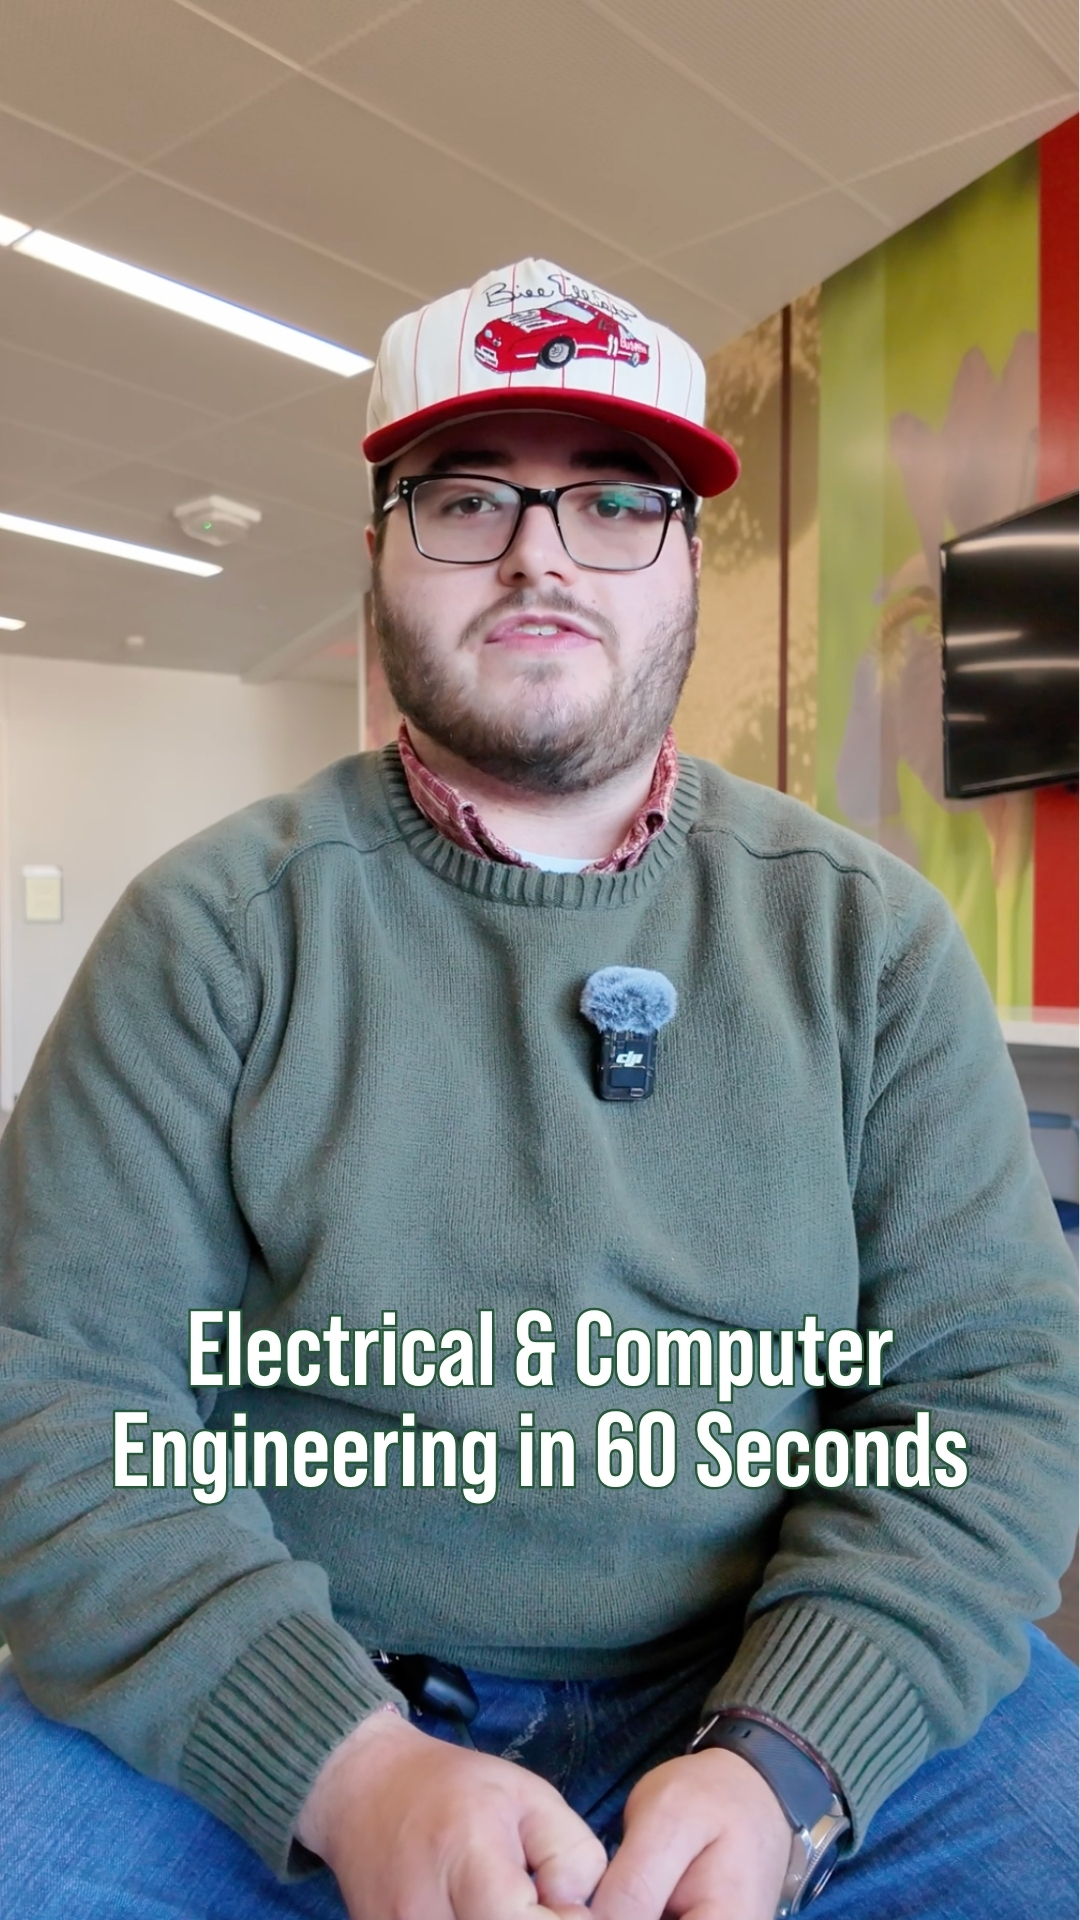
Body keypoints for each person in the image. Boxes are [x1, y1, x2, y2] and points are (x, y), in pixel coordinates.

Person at [0, 257, 1075, 1920]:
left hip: (765, 1677)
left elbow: (993, 1394)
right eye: (468, 496)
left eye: (614, 504)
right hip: (317, 1688)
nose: (537, 555)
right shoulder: (211, 937)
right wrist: (341, 1767)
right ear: (375, 554)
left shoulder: (867, 940)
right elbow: (58, 1401)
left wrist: (787, 1760)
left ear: (686, 566)